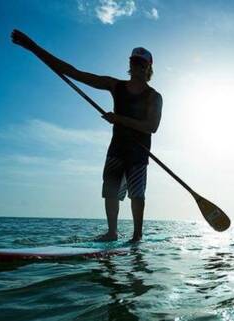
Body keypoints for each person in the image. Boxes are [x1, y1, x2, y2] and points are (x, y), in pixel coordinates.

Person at [11, 29, 163, 242]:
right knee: (110, 191)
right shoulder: (115, 85)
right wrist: (33, 47)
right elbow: (74, 73)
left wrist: (119, 119)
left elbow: (151, 127)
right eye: (134, 62)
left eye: (141, 63)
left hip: (138, 153)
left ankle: (137, 236)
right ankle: (112, 233)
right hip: (117, 149)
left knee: (136, 195)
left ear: (148, 68)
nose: (136, 66)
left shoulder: (154, 97)